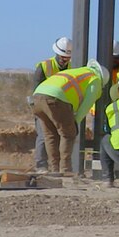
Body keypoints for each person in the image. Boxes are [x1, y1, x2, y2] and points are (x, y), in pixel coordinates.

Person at [31, 59, 108, 177]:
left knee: (50, 135)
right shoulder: (95, 79)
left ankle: (54, 169)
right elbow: (87, 104)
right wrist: (75, 122)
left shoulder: (78, 72)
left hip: (37, 98)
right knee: (68, 133)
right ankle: (65, 169)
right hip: (55, 98)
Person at [30, 36, 72, 171]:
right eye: (62, 56)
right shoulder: (44, 66)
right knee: (44, 135)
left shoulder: (72, 68)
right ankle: (41, 164)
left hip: (60, 108)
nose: (64, 59)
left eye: (66, 57)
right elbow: (36, 90)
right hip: (43, 105)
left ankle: (57, 166)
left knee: (61, 135)